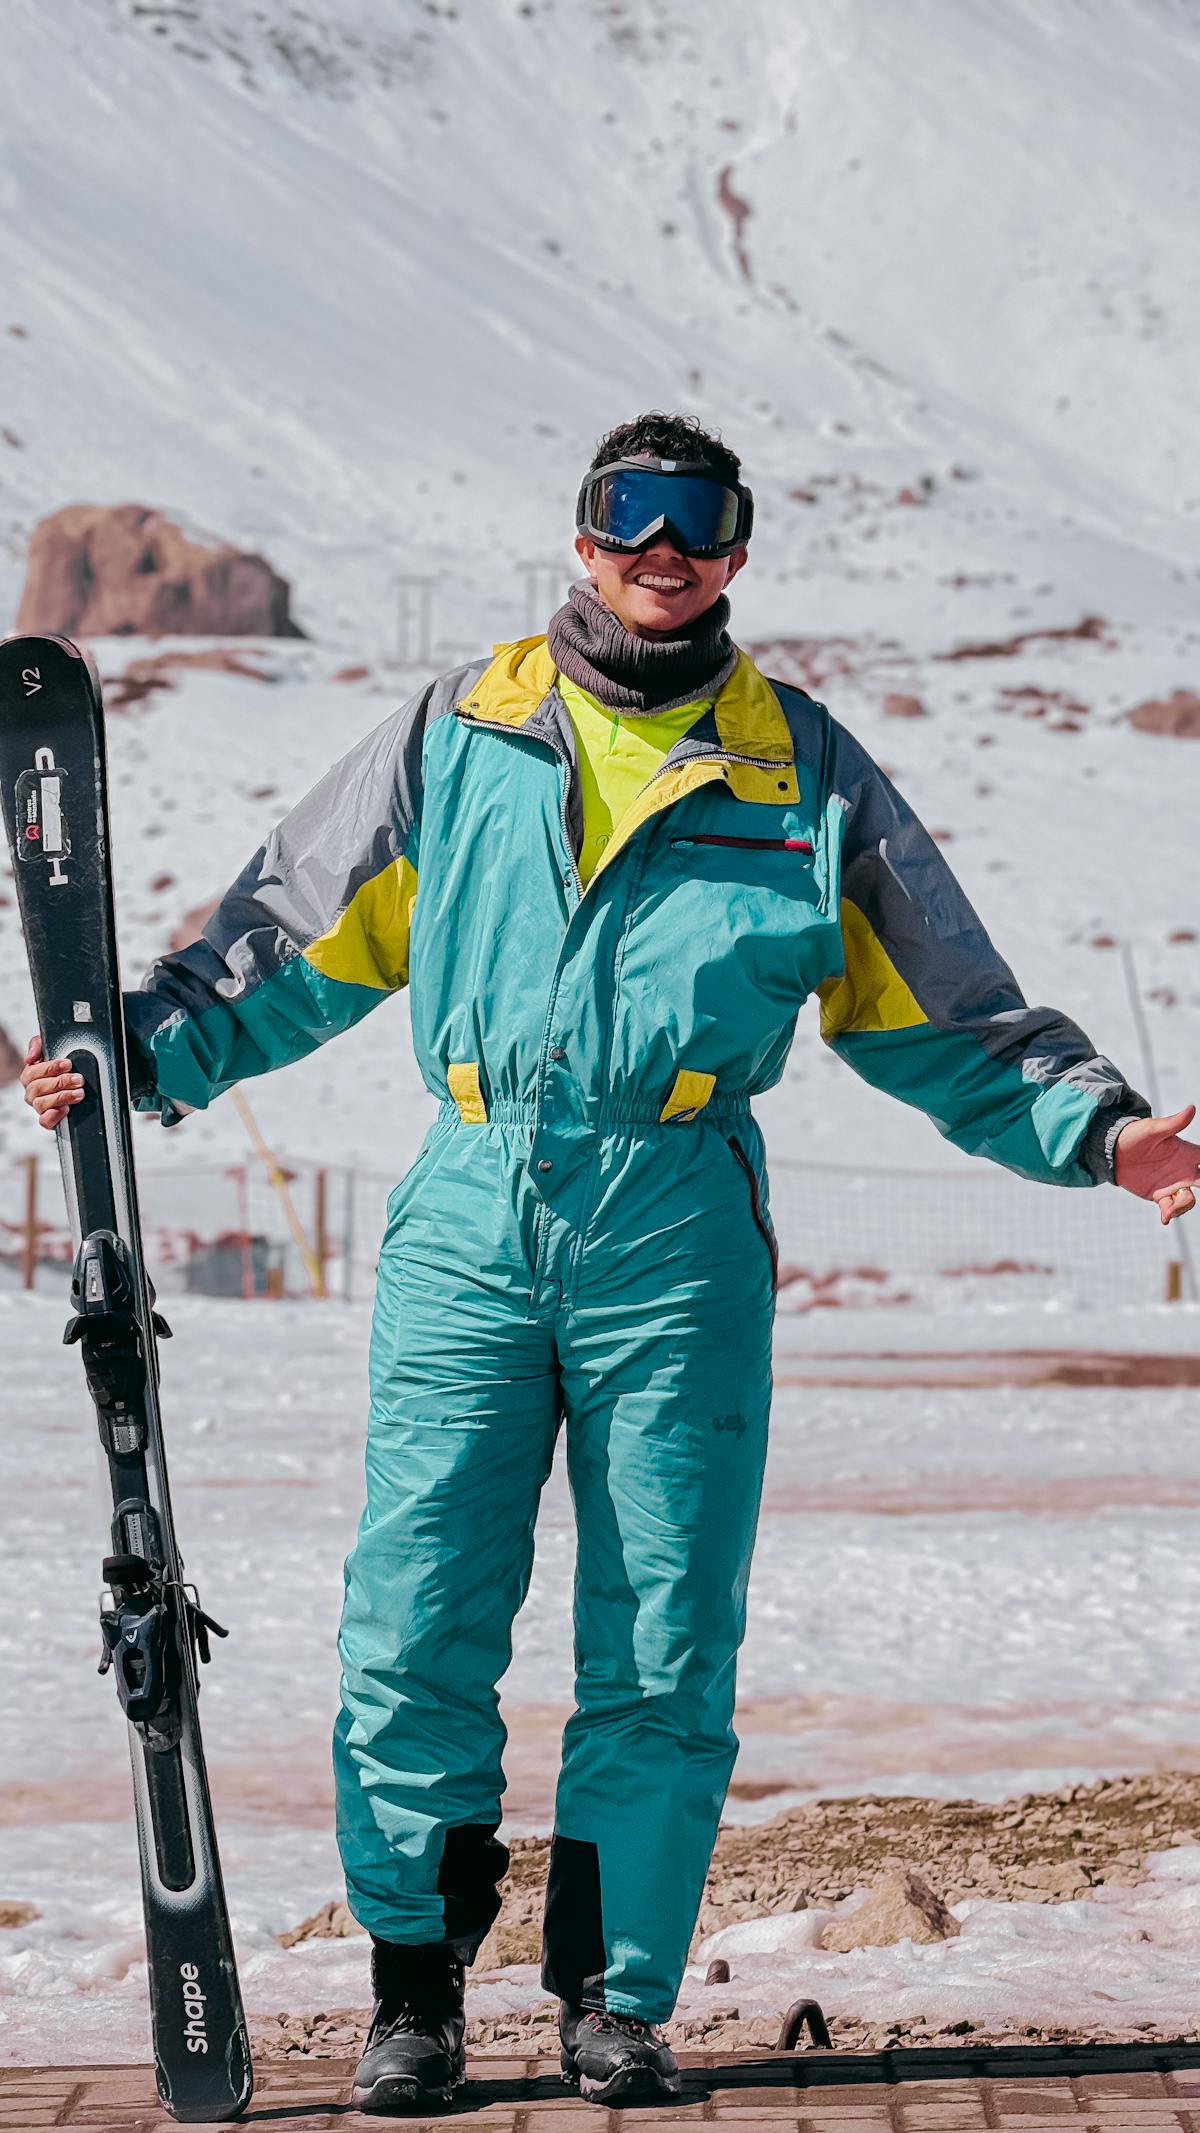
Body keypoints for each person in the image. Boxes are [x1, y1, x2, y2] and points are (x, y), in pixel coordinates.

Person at [22, 410, 1199, 2114]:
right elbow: (286, 942)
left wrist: (1106, 1131)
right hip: (472, 1208)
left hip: (681, 1218)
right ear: (582, 538)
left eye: (698, 520)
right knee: (416, 1612)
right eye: (629, 513)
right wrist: (136, 1056)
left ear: (736, 553)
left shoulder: (801, 766)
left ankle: (615, 2000)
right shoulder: (459, 729)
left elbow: (950, 1009)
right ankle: (414, 1992)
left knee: (661, 1633)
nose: (664, 545)